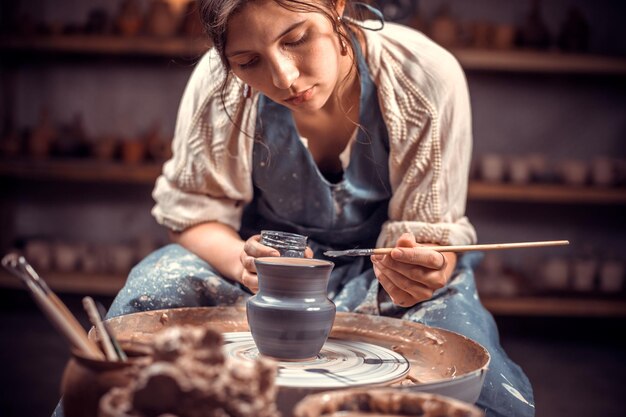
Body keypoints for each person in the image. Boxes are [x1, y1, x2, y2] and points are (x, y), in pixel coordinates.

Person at [54, 1, 534, 416]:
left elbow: (434, 238)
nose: (283, 78)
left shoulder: (424, 75)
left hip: (382, 275)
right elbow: (193, 213)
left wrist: (427, 268)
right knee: (148, 301)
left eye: (297, 39)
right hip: (263, 268)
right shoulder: (220, 85)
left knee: (471, 378)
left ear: (337, 7)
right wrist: (243, 259)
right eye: (248, 60)